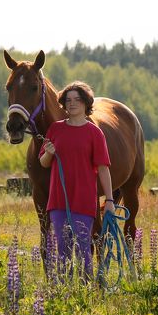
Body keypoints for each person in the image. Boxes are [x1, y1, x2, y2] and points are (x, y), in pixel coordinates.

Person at [39, 81, 114, 279]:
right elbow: (44, 163)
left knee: (83, 250)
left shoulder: (95, 133)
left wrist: (110, 200)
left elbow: (103, 169)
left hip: (83, 200)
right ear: (63, 104)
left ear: (86, 103)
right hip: (58, 201)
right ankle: (64, 294)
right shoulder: (55, 130)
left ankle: (85, 293)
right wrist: (48, 154)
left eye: (77, 100)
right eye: (68, 100)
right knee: (62, 251)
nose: (72, 104)